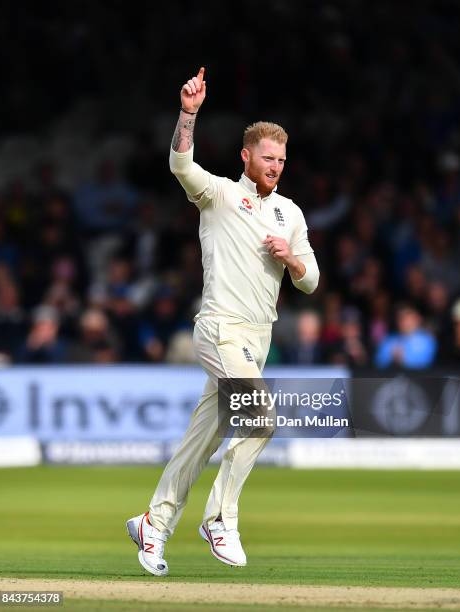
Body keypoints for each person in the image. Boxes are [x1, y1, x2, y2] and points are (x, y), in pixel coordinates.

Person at [126, 67, 319, 576]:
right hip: (219, 327)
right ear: (246, 157)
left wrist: (292, 260)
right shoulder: (219, 195)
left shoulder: (290, 215)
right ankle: (219, 518)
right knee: (260, 419)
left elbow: (311, 280)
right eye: (266, 157)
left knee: (202, 441)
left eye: (281, 159)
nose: (275, 166)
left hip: (255, 339)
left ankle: (154, 522)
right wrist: (188, 113)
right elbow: (179, 163)